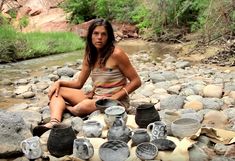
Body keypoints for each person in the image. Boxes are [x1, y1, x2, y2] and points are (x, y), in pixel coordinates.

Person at [33, 18, 141, 137]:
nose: (99, 37)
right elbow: (79, 83)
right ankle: (54, 122)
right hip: (96, 98)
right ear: (90, 36)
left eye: (103, 34)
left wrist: (114, 98)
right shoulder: (90, 55)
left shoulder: (117, 54)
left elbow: (136, 81)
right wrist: (59, 83)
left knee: (83, 106)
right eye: (96, 33)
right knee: (58, 92)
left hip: (117, 102)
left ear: (109, 37)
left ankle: (70, 108)